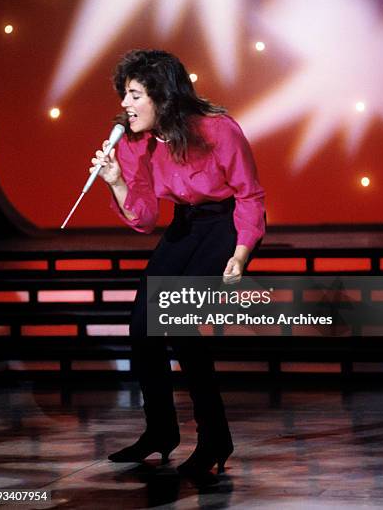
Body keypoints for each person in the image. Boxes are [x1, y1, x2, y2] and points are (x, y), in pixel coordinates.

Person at [90, 49, 266, 477]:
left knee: (182, 326)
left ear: (161, 95)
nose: (125, 106)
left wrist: (241, 255)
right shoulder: (136, 143)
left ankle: (214, 439)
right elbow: (145, 217)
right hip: (184, 225)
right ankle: (160, 431)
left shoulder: (217, 130)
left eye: (134, 95)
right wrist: (115, 183)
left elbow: (249, 195)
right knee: (141, 326)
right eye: (124, 96)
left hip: (223, 225)